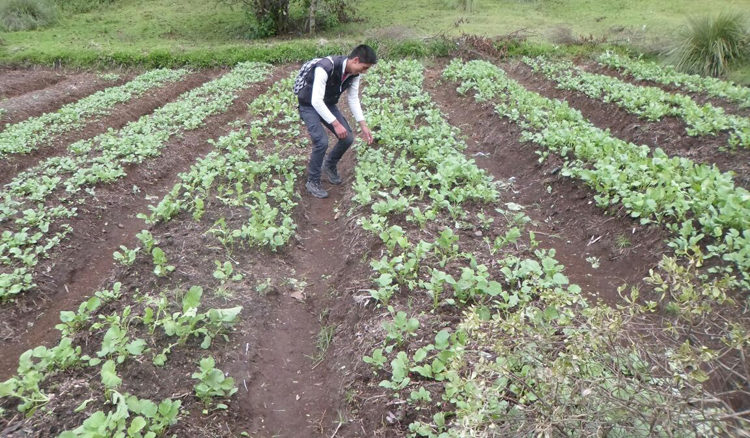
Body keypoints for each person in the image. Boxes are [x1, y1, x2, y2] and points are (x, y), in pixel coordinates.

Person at [296, 44, 377, 199]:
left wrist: (363, 125)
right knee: (321, 141)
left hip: (328, 103)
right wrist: (335, 123)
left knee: (347, 138)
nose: (364, 72)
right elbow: (316, 101)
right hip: (309, 105)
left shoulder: (354, 74)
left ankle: (330, 164)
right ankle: (312, 181)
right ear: (355, 60)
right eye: (364, 67)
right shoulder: (325, 67)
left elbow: (353, 99)